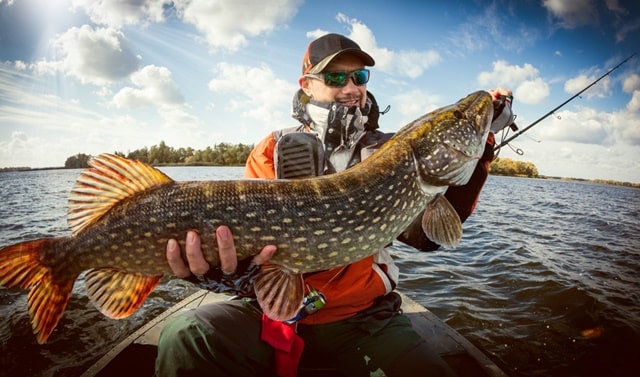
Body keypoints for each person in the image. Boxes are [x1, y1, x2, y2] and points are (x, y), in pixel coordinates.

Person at [156, 33, 512, 377]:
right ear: (307, 84)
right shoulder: (272, 149)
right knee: (187, 337)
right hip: (271, 314)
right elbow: (252, 254)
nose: (351, 87)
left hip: (363, 320)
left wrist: (484, 146)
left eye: (359, 76)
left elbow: (428, 239)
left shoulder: (387, 152)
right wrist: (221, 275)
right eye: (335, 76)